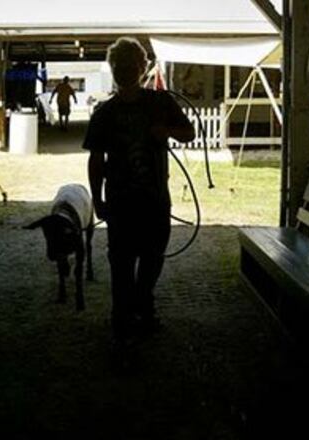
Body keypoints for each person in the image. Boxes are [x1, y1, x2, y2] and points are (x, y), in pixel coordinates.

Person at [83, 38, 194, 345]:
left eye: (131, 64)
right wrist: (97, 198)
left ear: (143, 67)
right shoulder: (104, 112)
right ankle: (123, 318)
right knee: (120, 264)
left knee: (151, 260)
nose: (125, 70)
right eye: (119, 65)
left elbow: (190, 132)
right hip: (121, 204)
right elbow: (95, 159)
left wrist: (167, 131)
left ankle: (141, 306)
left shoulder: (161, 103)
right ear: (112, 69)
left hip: (155, 202)